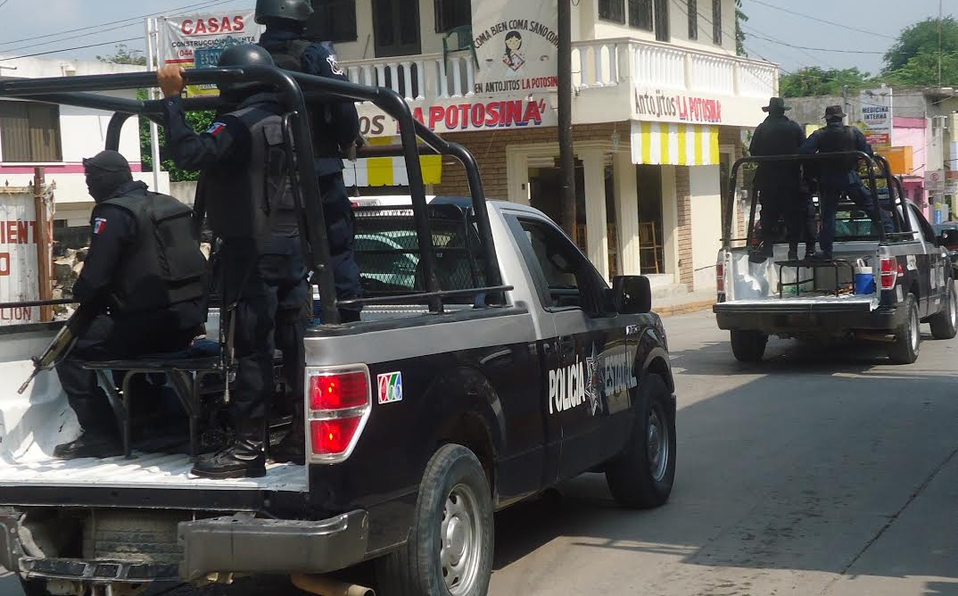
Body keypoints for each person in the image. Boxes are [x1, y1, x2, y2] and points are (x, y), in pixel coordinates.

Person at [159, 45, 310, 478]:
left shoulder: (238, 124)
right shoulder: (291, 120)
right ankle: (300, 436)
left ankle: (247, 449)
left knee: (252, 350)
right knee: (296, 345)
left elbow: (190, 154)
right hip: (292, 248)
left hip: (253, 251)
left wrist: (173, 101)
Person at [53, 151, 208, 460]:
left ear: (104, 180)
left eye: (90, 179)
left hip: (146, 326)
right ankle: (148, 419)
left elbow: (93, 281)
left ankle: (100, 434)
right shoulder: (170, 204)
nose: (88, 187)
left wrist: (84, 296)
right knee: (116, 338)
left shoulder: (112, 212)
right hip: (188, 323)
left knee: (68, 352)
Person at [255, 0, 363, 325]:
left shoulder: (250, 59)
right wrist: (348, 138)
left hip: (267, 178)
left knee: (285, 246)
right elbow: (343, 107)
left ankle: (290, 320)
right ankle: (346, 312)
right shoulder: (315, 54)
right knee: (336, 244)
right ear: (302, 16)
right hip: (319, 168)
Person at [801, 105, 893, 260]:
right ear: (841, 117)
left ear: (828, 119)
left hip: (828, 180)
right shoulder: (853, 132)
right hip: (850, 178)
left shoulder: (819, 135)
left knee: (828, 214)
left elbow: (804, 152)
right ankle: (889, 232)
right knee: (870, 204)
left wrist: (817, 168)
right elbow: (868, 152)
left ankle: (827, 250)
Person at [748, 97, 806, 262]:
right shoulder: (794, 128)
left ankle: (767, 247)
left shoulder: (762, 129)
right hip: (791, 180)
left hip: (768, 179)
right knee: (792, 215)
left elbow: (754, 151)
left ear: (770, 111)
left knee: (768, 214)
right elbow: (804, 151)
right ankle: (793, 250)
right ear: (783, 111)